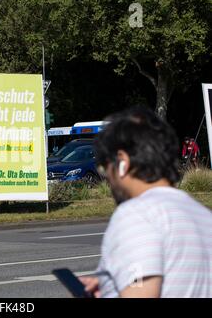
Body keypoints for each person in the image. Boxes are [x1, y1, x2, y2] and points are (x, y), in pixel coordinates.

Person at [80, 106, 212, 298]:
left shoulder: (137, 213)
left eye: (104, 168)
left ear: (122, 162)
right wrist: (112, 284)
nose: (107, 178)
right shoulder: (203, 216)